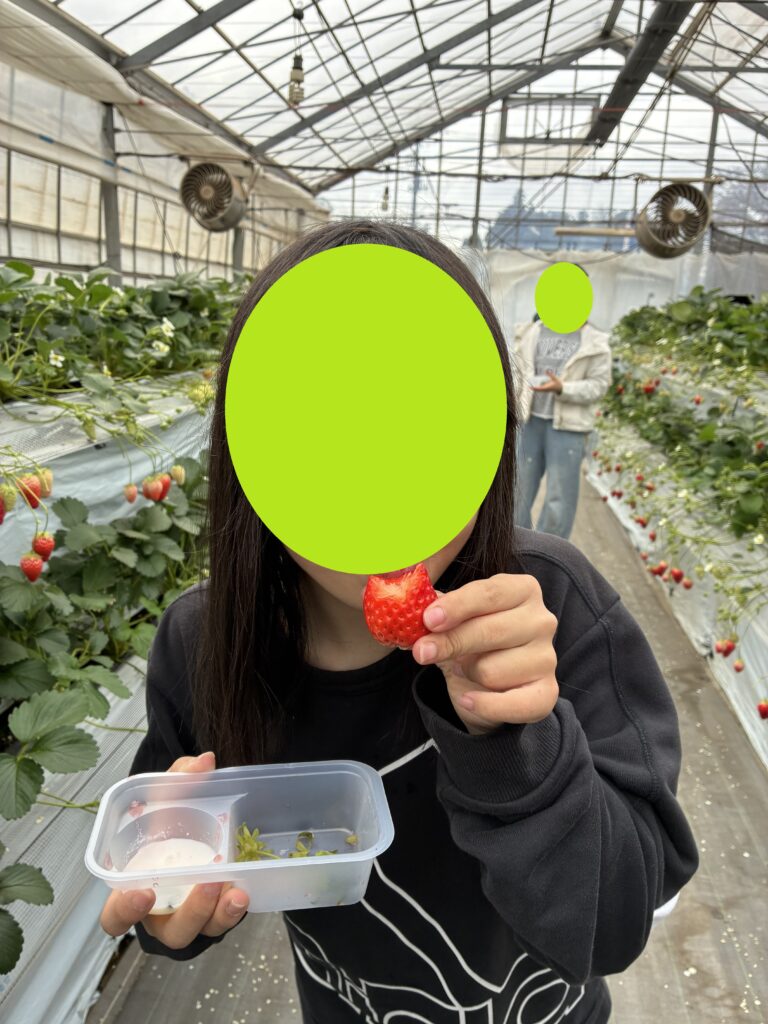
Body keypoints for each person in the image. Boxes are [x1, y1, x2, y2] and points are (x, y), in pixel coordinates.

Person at [99, 220, 698, 1024]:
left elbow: (616, 923)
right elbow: (166, 872)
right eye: (326, 439)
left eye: (422, 434)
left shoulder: (553, 606)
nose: (378, 490)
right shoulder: (206, 644)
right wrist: (172, 905)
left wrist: (516, 740)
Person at [513, 279, 612, 540]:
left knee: (559, 497)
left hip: (568, 427)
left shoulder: (594, 342)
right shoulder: (532, 331)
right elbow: (518, 370)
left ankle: (548, 550)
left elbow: (599, 385)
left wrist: (563, 388)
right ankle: (514, 542)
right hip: (531, 420)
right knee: (518, 489)